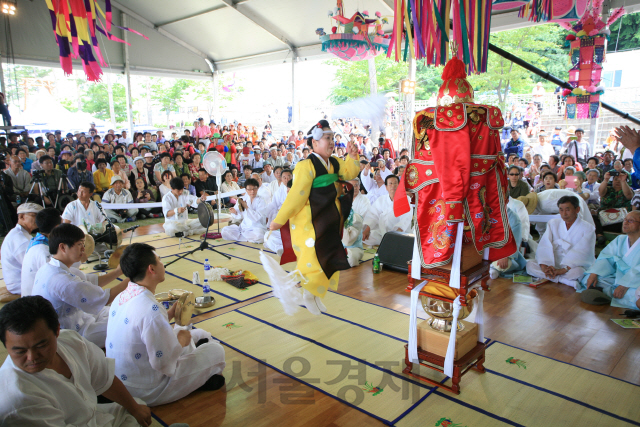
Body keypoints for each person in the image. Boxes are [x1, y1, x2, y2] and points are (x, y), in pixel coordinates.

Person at [0, 296, 156, 426]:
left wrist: (134, 408)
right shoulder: (17, 397)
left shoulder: (71, 341)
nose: (32, 357)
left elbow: (104, 379)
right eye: (20, 351)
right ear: (6, 346)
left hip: (92, 416)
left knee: (137, 405)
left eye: (41, 345)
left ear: (57, 331)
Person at [105, 243, 226, 406]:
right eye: (159, 261)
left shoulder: (122, 297)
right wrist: (182, 340)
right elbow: (164, 363)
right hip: (147, 389)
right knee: (215, 350)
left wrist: (169, 316)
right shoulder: (151, 309)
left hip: (120, 382)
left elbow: (145, 329)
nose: (162, 264)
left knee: (199, 334)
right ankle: (199, 379)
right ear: (151, 269)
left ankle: (197, 363)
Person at [268, 120, 360, 315]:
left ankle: (315, 295)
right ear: (315, 142)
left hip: (329, 220)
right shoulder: (305, 166)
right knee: (313, 257)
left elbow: (350, 171)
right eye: (327, 138)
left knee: (328, 257)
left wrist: (352, 157)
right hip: (310, 221)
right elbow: (296, 196)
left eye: (332, 138)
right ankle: (310, 293)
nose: (332, 142)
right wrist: (280, 219)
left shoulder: (334, 162)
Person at [32, 224, 128, 347]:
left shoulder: (52, 266)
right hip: (70, 334)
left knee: (119, 310)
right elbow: (103, 298)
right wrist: (134, 277)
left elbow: (91, 282)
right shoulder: (62, 280)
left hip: (79, 318)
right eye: (80, 244)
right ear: (62, 247)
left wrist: (118, 271)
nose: (84, 249)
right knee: (126, 322)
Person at [525, 196, 595, 288]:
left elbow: (583, 253)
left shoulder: (588, 228)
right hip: (552, 262)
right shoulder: (553, 223)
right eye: (561, 210)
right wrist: (544, 266)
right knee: (530, 265)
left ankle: (553, 277)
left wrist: (563, 270)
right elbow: (544, 245)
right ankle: (563, 280)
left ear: (577, 209)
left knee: (578, 272)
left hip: (571, 266)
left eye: (567, 210)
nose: (564, 214)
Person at [577, 211, 640, 307]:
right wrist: (595, 273)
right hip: (616, 277)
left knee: (636, 295)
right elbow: (606, 257)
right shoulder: (620, 239)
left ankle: (603, 294)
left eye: (631, 221)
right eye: (625, 219)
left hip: (633, 282)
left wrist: (624, 285)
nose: (625, 223)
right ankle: (606, 294)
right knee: (588, 279)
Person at [0, 203, 42, 297]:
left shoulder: (22, 233)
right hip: (18, 284)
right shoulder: (19, 238)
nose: (38, 219)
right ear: (22, 216)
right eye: (34, 216)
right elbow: (32, 266)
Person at [21, 208, 61, 297]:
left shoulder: (35, 241)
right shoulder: (43, 251)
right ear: (57, 227)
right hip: (35, 304)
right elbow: (57, 280)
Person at [362, 175, 412, 246]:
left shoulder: (405, 200)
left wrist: (397, 234)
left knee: (401, 242)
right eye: (390, 183)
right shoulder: (381, 199)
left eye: (395, 183)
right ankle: (387, 241)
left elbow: (406, 219)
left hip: (399, 233)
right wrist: (367, 229)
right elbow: (373, 215)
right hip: (382, 232)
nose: (393, 186)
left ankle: (390, 241)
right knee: (366, 237)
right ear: (386, 187)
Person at [222, 178, 267, 243]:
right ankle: (247, 238)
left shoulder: (261, 200)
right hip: (244, 227)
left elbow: (257, 217)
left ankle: (242, 237)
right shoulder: (243, 199)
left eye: (254, 188)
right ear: (246, 189)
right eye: (249, 189)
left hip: (257, 227)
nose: (252, 191)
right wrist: (235, 212)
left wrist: (247, 207)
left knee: (259, 236)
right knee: (225, 230)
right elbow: (239, 214)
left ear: (258, 188)